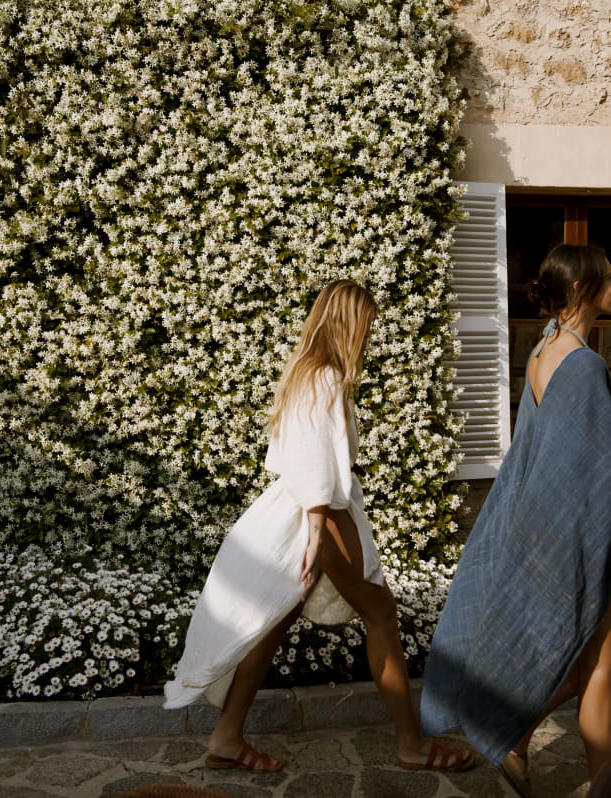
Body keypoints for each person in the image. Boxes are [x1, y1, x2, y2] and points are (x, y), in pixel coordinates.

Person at [164, 279, 476, 774]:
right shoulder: (324, 376)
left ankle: (225, 737)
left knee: (275, 620)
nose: (369, 336)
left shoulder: (304, 372)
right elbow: (312, 465)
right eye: (366, 325)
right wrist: (314, 535)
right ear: (348, 323)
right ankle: (411, 745)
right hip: (322, 515)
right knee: (381, 616)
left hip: (313, 511)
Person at [420, 243, 611, 797]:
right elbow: (591, 470)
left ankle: (514, 739)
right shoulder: (584, 364)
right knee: (599, 661)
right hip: (578, 533)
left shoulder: (544, 348)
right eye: (606, 276)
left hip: (544, 526)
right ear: (581, 288)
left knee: (587, 662)